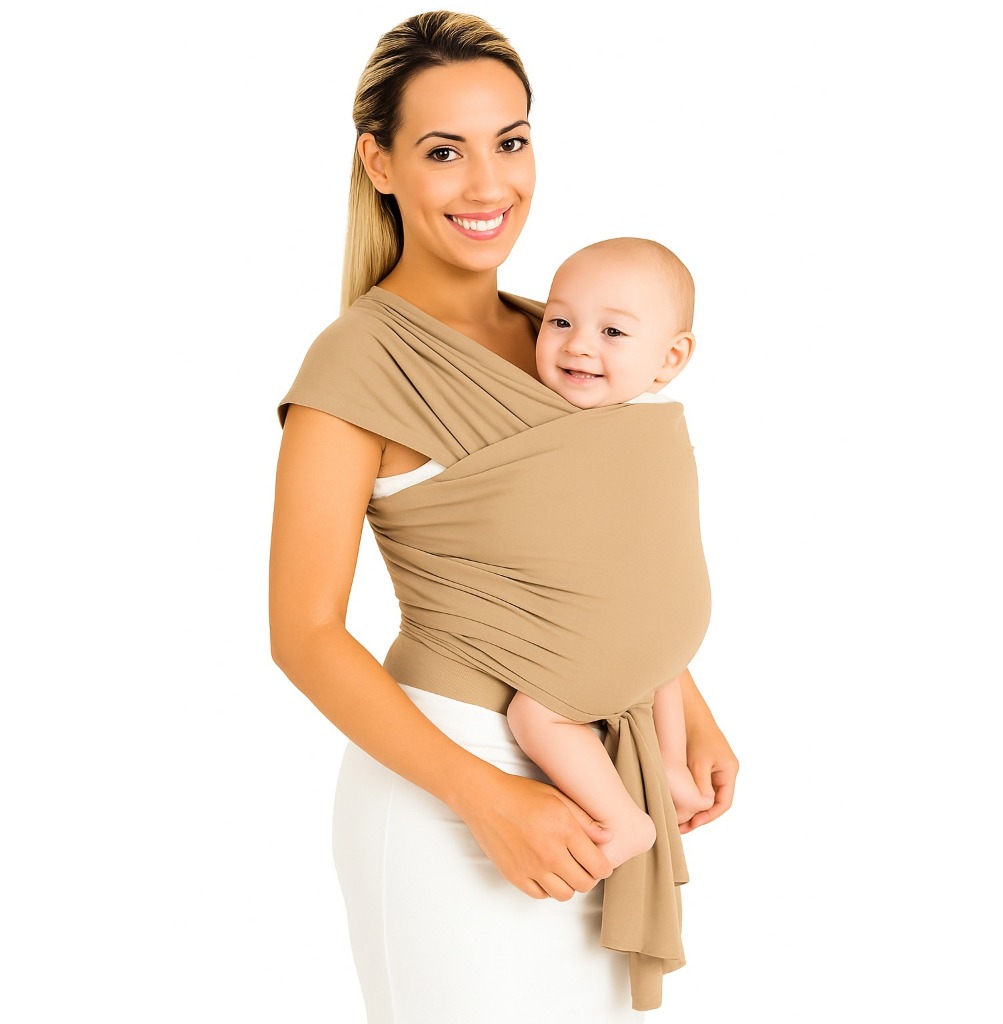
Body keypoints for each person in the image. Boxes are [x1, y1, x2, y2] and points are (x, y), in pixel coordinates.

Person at [268, 12, 738, 1022]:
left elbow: (602, 558)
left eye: (510, 141)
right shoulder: (358, 363)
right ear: (380, 163)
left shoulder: (560, 334)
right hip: (450, 798)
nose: (489, 184)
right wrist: (482, 795)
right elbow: (303, 633)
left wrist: (681, 700)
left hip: (601, 780)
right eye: (445, 151)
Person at [506, 236, 715, 869]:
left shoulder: (580, 432)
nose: (578, 345)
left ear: (670, 358)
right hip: (673, 626)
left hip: (632, 623)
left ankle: (626, 821)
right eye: (560, 322)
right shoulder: (660, 424)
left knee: (535, 716)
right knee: (652, 670)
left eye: (613, 332)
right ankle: (671, 769)